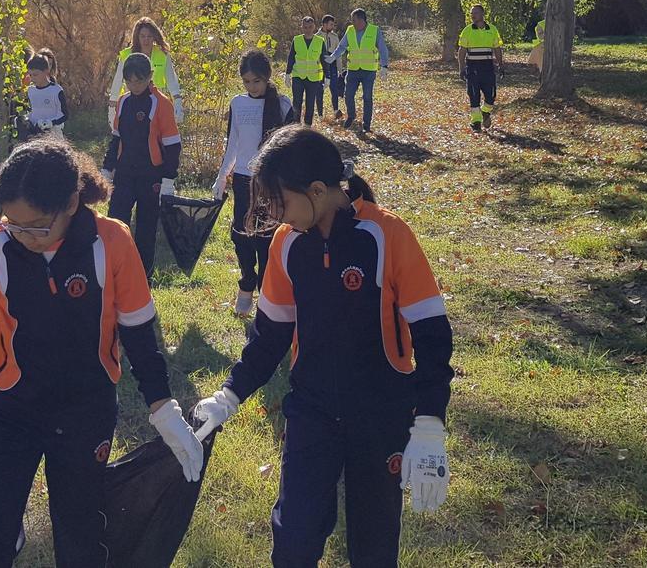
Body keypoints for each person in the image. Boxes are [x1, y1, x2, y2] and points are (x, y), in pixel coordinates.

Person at [0, 139, 202, 567]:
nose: (22, 235)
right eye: (12, 223)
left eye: (34, 226)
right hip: (12, 402)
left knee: (80, 533)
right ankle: (4, 534)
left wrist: (163, 407)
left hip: (85, 409)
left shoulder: (111, 242)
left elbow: (139, 331)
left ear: (71, 203)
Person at [194, 127, 454, 567]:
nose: (277, 215)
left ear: (317, 190)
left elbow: (432, 336)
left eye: (282, 202)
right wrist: (228, 396)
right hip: (311, 413)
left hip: (381, 417)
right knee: (294, 541)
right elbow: (270, 335)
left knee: (373, 548)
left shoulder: (387, 235)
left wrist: (429, 424)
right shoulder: (286, 244)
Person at [213, 50, 293, 316]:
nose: (251, 87)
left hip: (270, 182)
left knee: (266, 239)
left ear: (267, 77)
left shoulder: (282, 105)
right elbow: (233, 144)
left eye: (256, 81)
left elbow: (290, 149)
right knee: (241, 235)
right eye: (246, 81)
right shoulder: (237, 104)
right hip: (244, 180)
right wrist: (222, 177)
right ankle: (246, 284)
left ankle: (267, 292)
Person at [102, 53, 181, 280]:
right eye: (130, 81)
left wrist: (168, 180)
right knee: (116, 225)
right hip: (125, 174)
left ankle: (143, 279)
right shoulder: (124, 102)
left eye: (139, 80)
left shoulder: (161, 104)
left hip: (151, 176)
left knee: (146, 231)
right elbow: (116, 139)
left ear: (150, 77)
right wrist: (107, 170)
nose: (134, 86)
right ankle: (115, 273)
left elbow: (173, 146)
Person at [107, 17, 184, 127]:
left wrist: (177, 101)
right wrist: (112, 106)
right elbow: (118, 80)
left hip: (156, 102)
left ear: (154, 37)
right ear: (137, 37)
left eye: (149, 36)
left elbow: (171, 79)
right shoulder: (126, 55)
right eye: (142, 36)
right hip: (132, 101)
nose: (146, 40)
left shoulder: (162, 54)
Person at [325, 8, 389, 133]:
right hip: (353, 69)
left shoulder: (374, 30)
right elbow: (342, 46)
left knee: (367, 97)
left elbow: (382, 49)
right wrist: (333, 56)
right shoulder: (350, 30)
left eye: (353, 20)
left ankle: (366, 123)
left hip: (368, 71)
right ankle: (351, 116)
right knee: (348, 95)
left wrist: (384, 66)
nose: (351, 22)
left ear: (361, 20)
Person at [457, 5, 504, 133]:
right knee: (473, 95)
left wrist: (501, 65)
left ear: (483, 14)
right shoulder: (467, 30)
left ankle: (485, 112)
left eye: (476, 13)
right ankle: (476, 122)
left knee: (491, 96)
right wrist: (461, 69)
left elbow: (497, 49)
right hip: (472, 68)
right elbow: (461, 51)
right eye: (471, 13)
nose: (473, 16)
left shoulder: (492, 30)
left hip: (488, 67)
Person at [284, 16, 326, 126]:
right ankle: (296, 125)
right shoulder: (297, 40)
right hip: (298, 75)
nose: (308, 29)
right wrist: (287, 74)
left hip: (313, 77)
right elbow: (291, 57)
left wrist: (327, 76)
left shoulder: (320, 41)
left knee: (310, 102)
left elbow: (324, 60)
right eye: (305, 27)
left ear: (314, 27)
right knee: (297, 102)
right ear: (302, 27)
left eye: (310, 27)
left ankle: (307, 125)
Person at [24, 51, 68, 139]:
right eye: (30, 75)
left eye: (36, 74)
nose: (32, 78)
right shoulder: (30, 91)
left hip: (53, 134)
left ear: (46, 71)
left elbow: (64, 114)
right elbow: (31, 110)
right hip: (35, 134)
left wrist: (51, 122)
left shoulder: (56, 90)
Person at [320, 15, 346, 121]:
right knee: (319, 89)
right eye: (331, 24)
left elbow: (338, 54)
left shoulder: (335, 37)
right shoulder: (316, 36)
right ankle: (320, 113)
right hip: (321, 65)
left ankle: (336, 110)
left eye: (333, 24)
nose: (332, 26)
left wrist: (340, 69)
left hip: (333, 65)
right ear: (324, 24)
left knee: (334, 88)